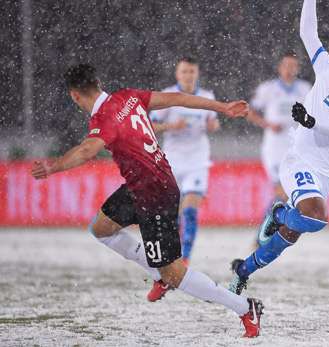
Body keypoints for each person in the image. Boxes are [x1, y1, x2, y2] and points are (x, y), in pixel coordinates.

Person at [31, 64, 263, 338]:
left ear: (74, 96)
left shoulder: (104, 119)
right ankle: (157, 275)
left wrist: (52, 167)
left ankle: (244, 307)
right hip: (139, 187)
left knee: (174, 274)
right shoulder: (127, 97)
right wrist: (221, 107)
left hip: (155, 194)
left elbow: (86, 151)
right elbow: (178, 98)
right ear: (98, 81)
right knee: (101, 228)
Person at [228, 0, 329, 295]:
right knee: (314, 217)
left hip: (326, 173)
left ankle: (244, 270)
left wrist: (313, 122)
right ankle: (278, 213)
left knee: (293, 232)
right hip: (299, 159)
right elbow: (308, 33)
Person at [150, 57, 220, 272]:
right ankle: (171, 254)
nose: (188, 75)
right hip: (172, 162)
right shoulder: (168, 96)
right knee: (173, 214)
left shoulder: (207, 96)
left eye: (192, 71)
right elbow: (150, 124)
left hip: (197, 161)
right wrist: (171, 126)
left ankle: (185, 258)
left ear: (197, 73)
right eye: (184, 71)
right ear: (177, 74)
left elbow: (214, 123)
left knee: (190, 210)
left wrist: (212, 125)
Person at [246, 52, 312, 204]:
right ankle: (270, 225)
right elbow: (249, 112)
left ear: (298, 68)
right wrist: (267, 124)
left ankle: (271, 225)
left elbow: (314, 115)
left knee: (289, 193)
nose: (289, 69)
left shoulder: (305, 89)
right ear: (280, 68)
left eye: (293, 66)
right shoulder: (268, 89)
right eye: (286, 65)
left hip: (296, 147)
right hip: (274, 147)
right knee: (282, 190)